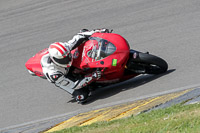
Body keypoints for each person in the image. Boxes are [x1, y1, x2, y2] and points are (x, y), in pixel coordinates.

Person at [41, 29, 110, 103]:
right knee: (82, 96)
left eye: (67, 56)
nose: (67, 60)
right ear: (54, 59)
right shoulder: (54, 74)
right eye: (63, 59)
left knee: (84, 39)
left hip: (66, 67)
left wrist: (98, 32)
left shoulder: (66, 48)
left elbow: (79, 36)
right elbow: (74, 85)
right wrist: (91, 77)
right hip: (64, 77)